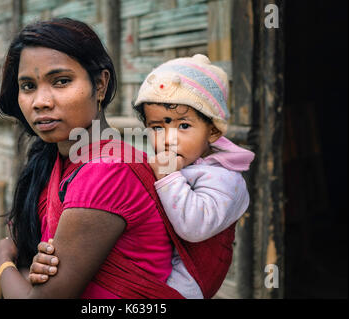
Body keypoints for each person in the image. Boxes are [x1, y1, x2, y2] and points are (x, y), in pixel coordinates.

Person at [29, 54, 255, 298]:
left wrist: (169, 178)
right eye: (158, 127)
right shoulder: (170, 163)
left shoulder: (226, 179)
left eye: (184, 126)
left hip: (183, 288)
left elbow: (194, 227)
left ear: (212, 131)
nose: (169, 139)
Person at [0, 18, 182, 299]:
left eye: (61, 81)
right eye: (28, 86)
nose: (40, 101)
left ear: (100, 84)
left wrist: (3, 261)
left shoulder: (107, 172)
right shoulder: (58, 160)